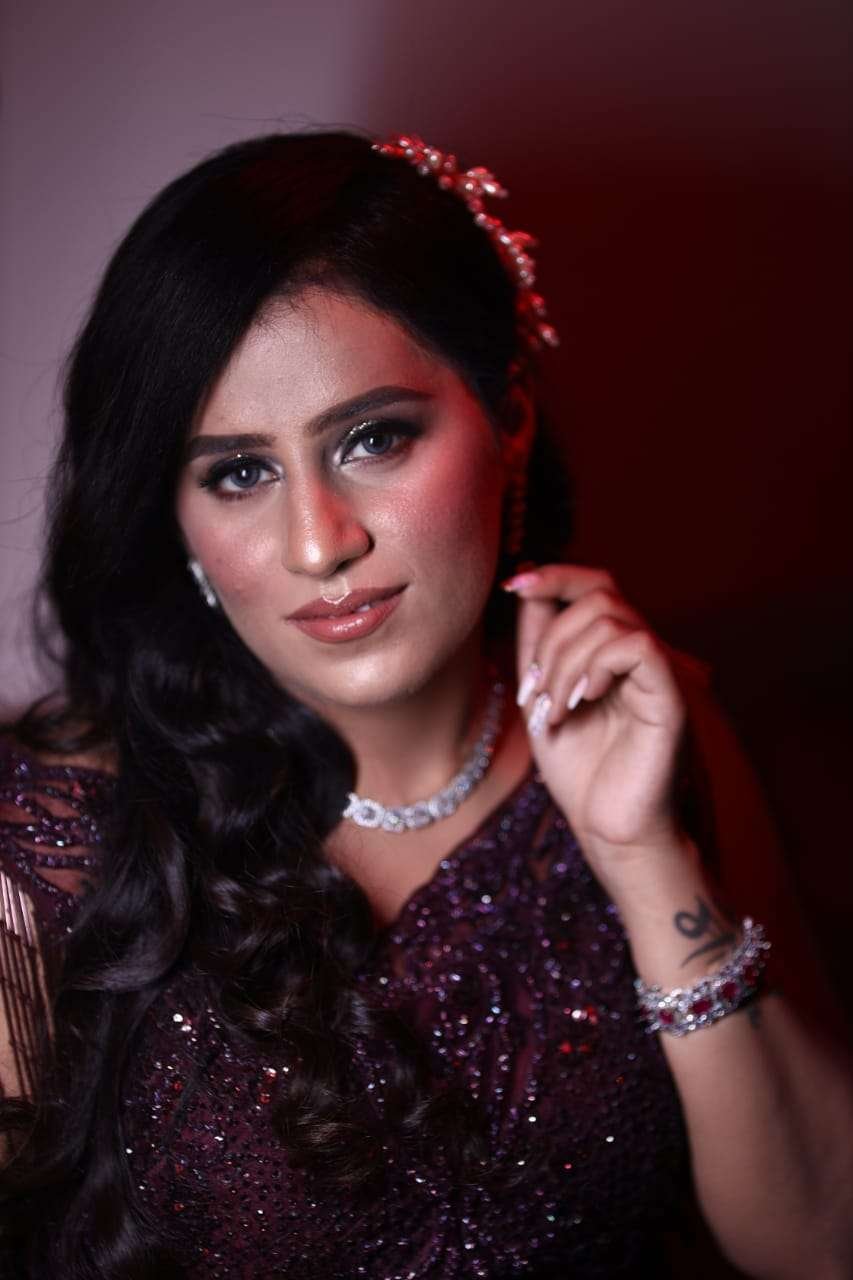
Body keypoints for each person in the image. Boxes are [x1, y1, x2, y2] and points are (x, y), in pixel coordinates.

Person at [0, 129, 850, 1280]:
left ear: (508, 416)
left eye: (372, 438)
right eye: (238, 471)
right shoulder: (52, 838)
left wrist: (646, 863)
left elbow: (818, 1242)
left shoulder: (662, 732)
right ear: (176, 515)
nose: (319, 543)